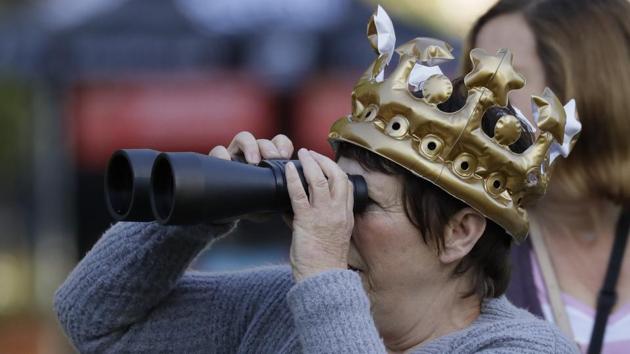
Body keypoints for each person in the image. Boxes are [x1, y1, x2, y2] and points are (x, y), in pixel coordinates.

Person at [54, 7, 579, 354]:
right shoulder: (284, 305)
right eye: (334, 185)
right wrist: (191, 221)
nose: (334, 220)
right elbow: (94, 323)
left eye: (361, 202)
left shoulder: (523, 348)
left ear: (459, 232)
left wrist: (326, 280)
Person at [463, 0, 630, 352]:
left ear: (592, 86)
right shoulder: (464, 245)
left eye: (509, 78)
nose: (477, 101)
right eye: (474, 77)